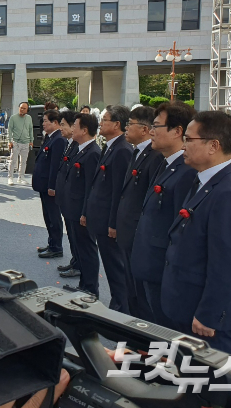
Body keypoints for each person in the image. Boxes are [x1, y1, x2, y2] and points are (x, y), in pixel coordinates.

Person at [161, 111, 231, 355]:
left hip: (204, 317)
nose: (183, 146)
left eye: (189, 140)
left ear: (213, 146)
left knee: (207, 384)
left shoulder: (230, 193)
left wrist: (208, 314)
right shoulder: (203, 180)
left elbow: (226, 263)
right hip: (186, 302)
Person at [131, 101, 197, 327]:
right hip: (151, 264)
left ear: (178, 131)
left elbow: (182, 232)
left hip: (164, 271)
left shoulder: (187, 172)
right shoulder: (166, 163)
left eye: (157, 126)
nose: (151, 131)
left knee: (169, 333)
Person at [114, 106, 163, 320]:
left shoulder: (155, 157)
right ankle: (134, 328)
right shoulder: (138, 152)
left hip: (138, 232)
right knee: (131, 286)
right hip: (127, 229)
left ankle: (143, 338)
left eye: (130, 124)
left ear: (145, 129)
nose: (126, 128)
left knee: (142, 292)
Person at [81, 105, 131, 311]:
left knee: (116, 268)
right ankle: (117, 303)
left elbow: (119, 191)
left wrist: (113, 223)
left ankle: (121, 307)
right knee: (111, 267)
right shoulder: (111, 146)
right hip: (99, 217)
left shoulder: (122, 150)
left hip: (108, 222)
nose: (100, 123)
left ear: (117, 124)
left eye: (105, 120)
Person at [61, 113, 101, 295]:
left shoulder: (92, 153)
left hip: (81, 211)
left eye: (75, 126)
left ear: (84, 130)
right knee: (80, 248)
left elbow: (90, 187)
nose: (72, 129)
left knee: (87, 249)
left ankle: (90, 287)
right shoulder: (80, 149)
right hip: (73, 208)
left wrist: (86, 212)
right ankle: (84, 285)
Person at [33, 110, 66, 259]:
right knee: (47, 216)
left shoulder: (58, 139)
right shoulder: (50, 137)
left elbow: (55, 165)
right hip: (43, 184)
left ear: (56, 123)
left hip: (49, 186)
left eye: (46, 121)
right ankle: (51, 242)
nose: (43, 124)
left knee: (53, 217)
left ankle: (56, 246)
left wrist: (52, 186)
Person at [53, 110, 80, 278]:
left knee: (80, 239)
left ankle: (79, 266)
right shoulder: (69, 143)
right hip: (67, 199)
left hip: (75, 202)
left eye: (63, 124)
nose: (60, 127)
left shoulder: (80, 147)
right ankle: (75, 261)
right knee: (72, 236)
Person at [7, 101, 34, 185]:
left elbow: (30, 129)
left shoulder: (29, 118)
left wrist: (31, 141)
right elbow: (10, 130)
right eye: (21, 108)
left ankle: (21, 177)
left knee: (23, 161)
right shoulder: (13, 118)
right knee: (13, 160)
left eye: (24, 108)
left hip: (26, 143)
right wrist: (9, 141)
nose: (22, 110)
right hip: (16, 142)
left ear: (27, 110)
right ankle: (10, 177)